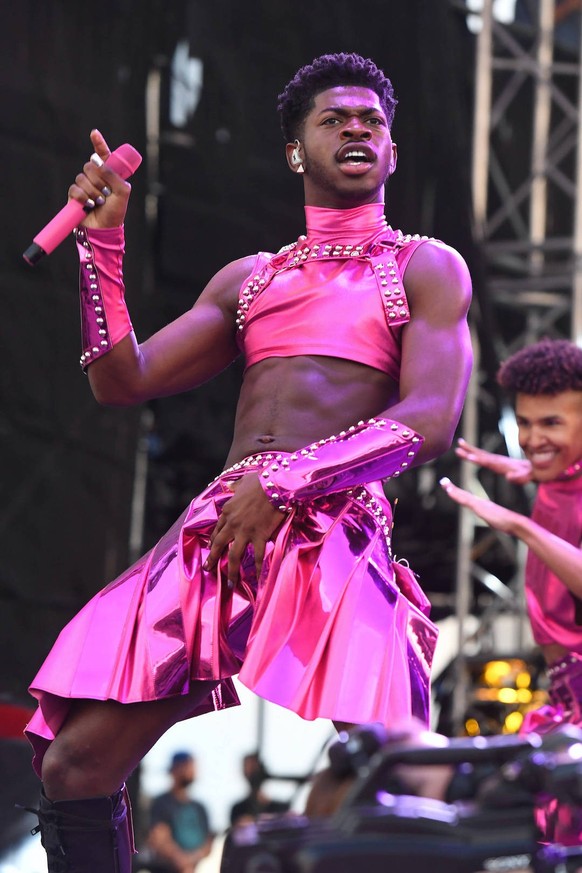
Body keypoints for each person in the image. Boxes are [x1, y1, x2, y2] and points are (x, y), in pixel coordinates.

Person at [24, 52, 472, 872]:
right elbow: (123, 380)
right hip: (223, 526)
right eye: (335, 119)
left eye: (373, 121)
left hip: (330, 523)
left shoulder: (423, 268)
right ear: (298, 151)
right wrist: (105, 241)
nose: (358, 129)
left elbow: (429, 421)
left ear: (393, 152)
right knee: (74, 765)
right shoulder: (251, 280)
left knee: (403, 764)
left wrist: (290, 477)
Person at [440, 337, 582, 844]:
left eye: (551, 423)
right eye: (524, 422)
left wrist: (522, 527)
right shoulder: (559, 477)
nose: (530, 437)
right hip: (566, 701)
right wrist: (536, 474)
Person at [142, 752, 212, 873]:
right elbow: (159, 837)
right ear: (176, 769)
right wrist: (181, 860)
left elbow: (208, 843)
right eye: (189, 766)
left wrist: (192, 860)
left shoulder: (200, 807)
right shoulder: (161, 803)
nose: (193, 771)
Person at [229, 753, 289, 827]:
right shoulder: (238, 809)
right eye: (247, 768)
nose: (250, 772)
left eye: (254, 769)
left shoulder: (280, 808)